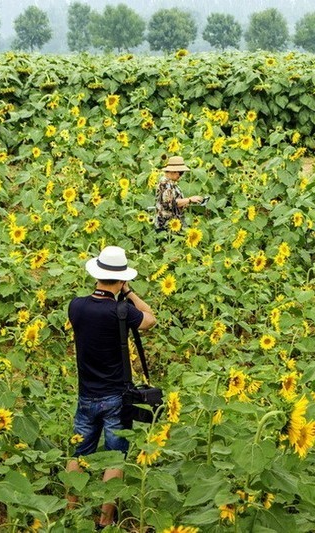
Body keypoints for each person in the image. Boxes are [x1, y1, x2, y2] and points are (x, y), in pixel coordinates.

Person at [65, 246, 156, 529]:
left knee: (78, 454)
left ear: (97, 274)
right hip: (116, 397)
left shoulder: (76, 306)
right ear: (120, 279)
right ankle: (105, 521)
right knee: (115, 458)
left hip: (86, 394)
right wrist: (128, 293)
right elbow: (150, 318)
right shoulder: (121, 310)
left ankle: (70, 513)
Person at [154, 156, 205, 232]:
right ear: (173, 171)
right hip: (166, 225)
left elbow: (175, 201)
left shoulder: (171, 183)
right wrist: (189, 199)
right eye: (180, 173)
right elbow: (171, 203)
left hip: (173, 224)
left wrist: (184, 203)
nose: (180, 176)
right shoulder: (165, 183)